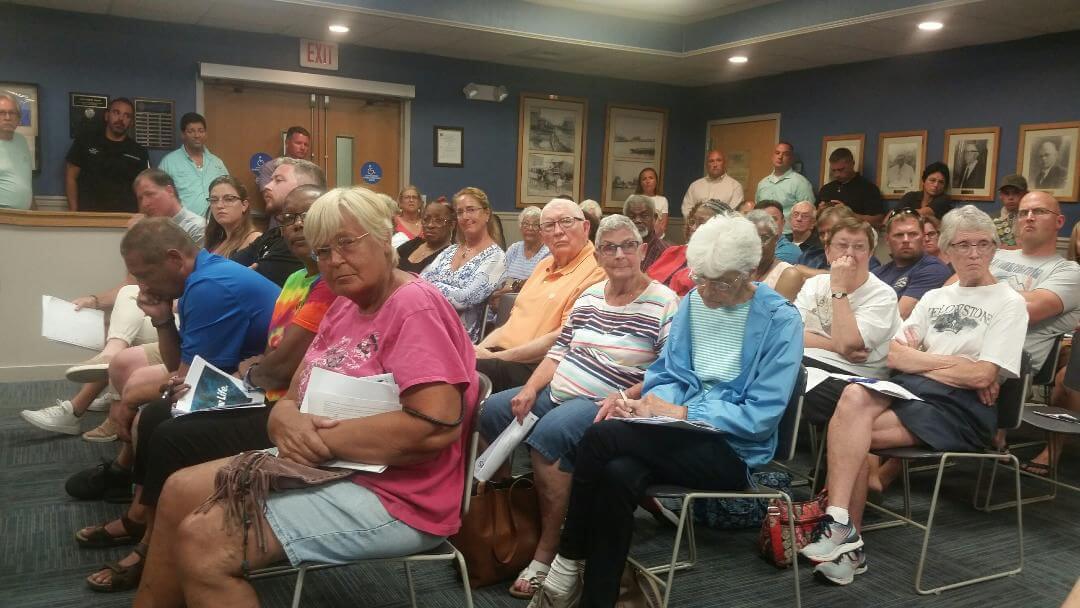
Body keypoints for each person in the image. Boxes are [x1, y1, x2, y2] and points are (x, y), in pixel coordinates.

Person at [132, 186, 480, 607]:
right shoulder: (344, 307)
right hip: (330, 465)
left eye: (346, 243)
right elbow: (292, 397)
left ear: (384, 237)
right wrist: (285, 421)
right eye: (323, 252)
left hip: (401, 495)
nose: (334, 260)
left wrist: (313, 439)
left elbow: (434, 427)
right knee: (177, 490)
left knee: (205, 540)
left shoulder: (414, 308)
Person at [529, 213, 803, 607]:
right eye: (700, 278)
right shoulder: (694, 302)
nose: (706, 291)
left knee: (602, 435)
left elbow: (761, 416)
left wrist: (682, 414)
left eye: (720, 281)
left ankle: (567, 560)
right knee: (617, 473)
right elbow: (669, 372)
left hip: (732, 448)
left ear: (748, 273)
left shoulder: (781, 320)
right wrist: (645, 404)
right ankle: (595, 597)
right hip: (676, 434)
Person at [77, 188, 333, 593]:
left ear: (175, 260)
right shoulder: (299, 279)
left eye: (145, 276)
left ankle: (146, 535)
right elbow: (250, 367)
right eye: (287, 218)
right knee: (161, 415)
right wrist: (163, 321)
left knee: (167, 423)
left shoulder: (215, 284)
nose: (296, 226)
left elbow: (265, 370)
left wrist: (259, 370)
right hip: (268, 395)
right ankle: (143, 520)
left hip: (291, 411)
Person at [801, 206, 1028, 586]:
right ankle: (839, 521)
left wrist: (924, 360)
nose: (973, 253)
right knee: (854, 396)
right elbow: (894, 355)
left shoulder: (1009, 302)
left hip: (963, 411)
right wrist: (953, 363)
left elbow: (982, 374)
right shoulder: (936, 298)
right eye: (963, 245)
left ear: (995, 249)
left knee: (852, 435)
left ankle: (847, 544)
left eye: (983, 244)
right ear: (945, 249)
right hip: (914, 392)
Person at [479, 214, 679, 599]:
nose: (619, 254)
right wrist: (530, 389)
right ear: (600, 255)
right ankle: (506, 523)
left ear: (641, 251)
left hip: (606, 400)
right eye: (609, 248)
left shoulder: (664, 302)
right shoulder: (589, 296)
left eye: (627, 246)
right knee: (492, 410)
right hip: (556, 386)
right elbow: (558, 351)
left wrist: (625, 398)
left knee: (551, 437)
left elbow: (666, 371)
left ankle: (548, 551)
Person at [21, 170, 207, 440]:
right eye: (139, 198)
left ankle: (80, 406)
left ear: (169, 190)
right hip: (166, 305)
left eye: (150, 195)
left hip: (183, 309)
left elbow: (184, 283)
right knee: (116, 316)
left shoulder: (192, 228)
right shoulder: (149, 228)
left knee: (123, 324)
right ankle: (108, 381)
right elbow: (131, 284)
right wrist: (93, 300)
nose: (144, 204)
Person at [988, 192, 1080, 474]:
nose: (1028, 217)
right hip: (960, 340)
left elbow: (1025, 310)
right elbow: (947, 293)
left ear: (1059, 222)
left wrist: (979, 292)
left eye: (1039, 211)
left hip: (1007, 358)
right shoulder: (995, 254)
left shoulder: (1068, 271)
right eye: (1023, 212)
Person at [475, 198, 606, 393]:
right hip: (503, 357)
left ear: (585, 227)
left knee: (458, 372)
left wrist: (495, 358)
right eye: (549, 225)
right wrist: (479, 351)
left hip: (539, 366)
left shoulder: (597, 270)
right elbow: (511, 324)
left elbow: (562, 338)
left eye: (566, 221)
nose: (558, 231)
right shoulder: (542, 265)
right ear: (543, 235)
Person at [796, 216, 903, 425]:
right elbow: (791, 334)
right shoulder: (814, 284)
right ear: (827, 252)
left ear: (870, 254)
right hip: (806, 365)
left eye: (859, 247)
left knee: (781, 379)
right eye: (842, 246)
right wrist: (835, 345)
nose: (850, 254)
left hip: (855, 379)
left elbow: (850, 344)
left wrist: (838, 289)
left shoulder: (882, 294)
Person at [420, 187, 505, 342]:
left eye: (471, 210)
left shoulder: (496, 257)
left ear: (486, 214)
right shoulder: (450, 251)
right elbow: (419, 281)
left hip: (459, 341)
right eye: (460, 212)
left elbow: (464, 299)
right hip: (428, 327)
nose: (465, 216)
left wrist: (432, 284)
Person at [232, 157, 326, 286]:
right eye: (288, 217)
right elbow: (229, 266)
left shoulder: (299, 242)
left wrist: (239, 276)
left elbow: (237, 282)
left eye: (278, 180)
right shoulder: (274, 234)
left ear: (305, 188)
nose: (267, 186)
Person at [65, 97, 149, 212]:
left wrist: (141, 218)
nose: (121, 119)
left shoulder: (139, 152)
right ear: (106, 116)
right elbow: (71, 177)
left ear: (131, 122)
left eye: (127, 116)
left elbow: (143, 188)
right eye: (116, 112)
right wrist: (73, 213)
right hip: (89, 216)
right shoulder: (85, 142)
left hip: (125, 219)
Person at [872, 209, 952, 319]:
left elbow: (898, 318)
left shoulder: (933, 269)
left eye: (913, 234)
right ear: (887, 240)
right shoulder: (877, 273)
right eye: (899, 235)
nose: (906, 240)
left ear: (923, 238)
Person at [647, 200, 734, 296]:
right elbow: (645, 282)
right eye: (692, 221)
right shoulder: (673, 251)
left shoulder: (722, 265)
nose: (693, 227)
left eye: (701, 223)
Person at [157, 112, 229, 217]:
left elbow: (229, 191)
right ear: (183, 134)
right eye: (191, 131)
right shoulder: (169, 162)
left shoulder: (217, 163)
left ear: (206, 134)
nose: (197, 135)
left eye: (201, 131)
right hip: (182, 227)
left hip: (215, 226)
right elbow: (159, 195)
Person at [488, 206, 550, 310]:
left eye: (535, 225)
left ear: (542, 229)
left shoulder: (548, 252)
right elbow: (499, 274)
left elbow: (538, 282)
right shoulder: (515, 248)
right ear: (520, 227)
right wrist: (499, 294)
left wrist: (511, 288)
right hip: (503, 299)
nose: (530, 228)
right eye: (526, 224)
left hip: (530, 304)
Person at [816, 147, 885, 229]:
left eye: (841, 170)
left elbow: (879, 221)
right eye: (833, 170)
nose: (837, 174)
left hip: (855, 235)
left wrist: (848, 214)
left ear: (852, 164)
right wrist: (819, 212)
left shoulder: (868, 188)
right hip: (827, 235)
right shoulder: (826, 189)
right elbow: (813, 218)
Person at [746, 210, 804, 301]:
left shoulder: (788, 274)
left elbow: (773, 313)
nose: (757, 244)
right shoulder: (739, 269)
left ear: (776, 239)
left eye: (764, 238)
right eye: (751, 238)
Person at [755, 141, 815, 223]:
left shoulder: (801, 183)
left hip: (789, 233)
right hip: (764, 231)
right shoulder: (762, 183)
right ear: (772, 156)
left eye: (785, 154)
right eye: (777, 153)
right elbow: (757, 211)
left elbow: (809, 213)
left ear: (791, 159)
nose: (780, 156)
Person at [203, 175, 261, 258]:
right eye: (214, 200)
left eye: (229, 199)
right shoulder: (216, 240)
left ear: (244, 205)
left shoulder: (255, 239)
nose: (219, 205)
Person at [397, 197, 454, 274]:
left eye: (438, 220)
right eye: (426, 219)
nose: (430, 225)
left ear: (452, 225)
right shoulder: (414, 244)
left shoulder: (450, 256)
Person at [681, 149, 745, 217]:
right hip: (697, 227)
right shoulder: (695, 186)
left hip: (722, 227)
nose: (715, 164)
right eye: (711, 161)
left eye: (719, 160)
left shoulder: (735, 186)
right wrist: (696, 224)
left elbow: (733, 213)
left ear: (725, 163)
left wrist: (712, 225)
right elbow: (686, 209)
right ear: (706, 165)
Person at [797, 204, 855, 272]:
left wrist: (811, 272)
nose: (825, 238)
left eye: (831, 232)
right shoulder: (808, 256)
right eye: (822, 233)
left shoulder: (863, 259)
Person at [0, 92, 32, 210]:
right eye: (2, 112)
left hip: (23, 217)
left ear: (18, 118)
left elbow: (25, 181)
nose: (7, 117)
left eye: (12, 113)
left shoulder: (21, 140)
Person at [623, 194, 669, 271]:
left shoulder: (665, 252)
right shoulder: (619, 249)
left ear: (654, 218)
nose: (638, 220)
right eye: (632, 217)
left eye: (644, 216)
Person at [993, 174, 1028, 248]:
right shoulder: (991, 219)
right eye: (1006, 193)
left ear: (1025, 194)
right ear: (1000, 195)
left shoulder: (1031, 219)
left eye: (1016, 193)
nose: (1010, 197)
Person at [635, 166, 669, 236]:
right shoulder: (635, 200)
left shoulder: (663, 200)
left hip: (657, 239)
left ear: (656, 181)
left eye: (651, 178)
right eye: (644, 179)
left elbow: (663, 225)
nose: (647, 181)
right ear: (640, 183)